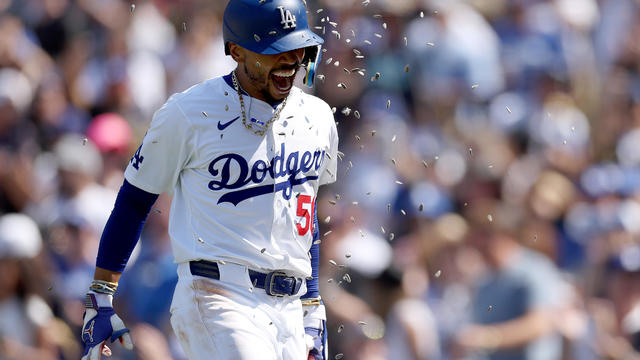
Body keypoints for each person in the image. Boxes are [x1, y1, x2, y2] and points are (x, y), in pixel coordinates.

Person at [79, 1, 338, 359]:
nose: (290, 61)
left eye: (298, 47)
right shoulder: (188, 111)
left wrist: (312, 303)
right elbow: (135, 200)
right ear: (236, 51)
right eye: (275, 50)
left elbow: (303, 220)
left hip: (289, 308)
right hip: (217, 294)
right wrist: (101, 294)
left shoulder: (318, 116)